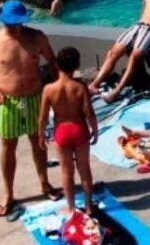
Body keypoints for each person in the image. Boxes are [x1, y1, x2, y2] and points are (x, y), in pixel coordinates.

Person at [0, 0, 62, 217]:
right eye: (9, 23)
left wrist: (58, 91)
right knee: (8, 146)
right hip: (7, 101)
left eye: (17, 23)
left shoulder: (37, 37)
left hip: (35, 97)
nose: (13, 27)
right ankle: (8, 193)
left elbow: (53, 63)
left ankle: (45, 183)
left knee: (38, 142)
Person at [37, 47, 98, 217]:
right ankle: (88, 206)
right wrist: (95, 130)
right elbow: (89, 113)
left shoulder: (49, 89)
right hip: (79, 130)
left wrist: (41, 134)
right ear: (76, 65)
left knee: (66, 171)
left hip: (61, 131)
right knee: (84, 169)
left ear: (57, 64)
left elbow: (42, 117)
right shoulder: (80, 87)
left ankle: (70, 208)